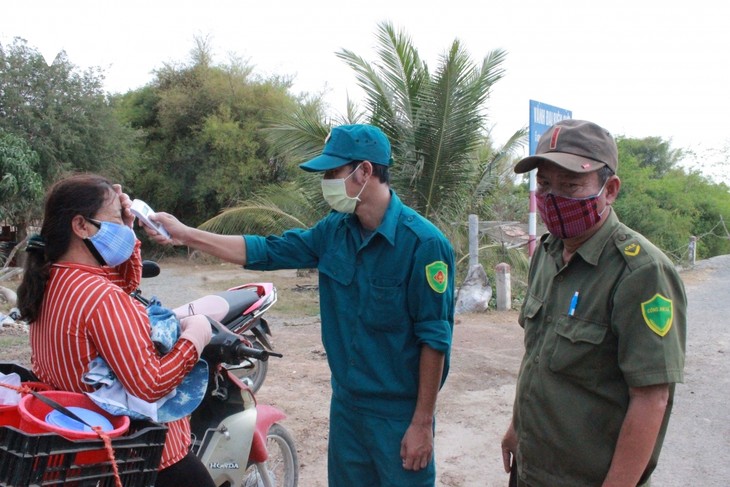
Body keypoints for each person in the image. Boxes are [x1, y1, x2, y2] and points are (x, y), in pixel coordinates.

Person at [143, 124, 455, 486]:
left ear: (365, 171)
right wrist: (186, 234)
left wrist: (421, 423)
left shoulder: (424, 245)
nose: (326, 181)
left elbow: (434, 339)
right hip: (347, 408)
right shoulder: (335, 231)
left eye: (333, 172)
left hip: (397, 414)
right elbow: (266, 250)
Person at [501, 120, 687, 487]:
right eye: (545, 184)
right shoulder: (548, 252)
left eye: (571, 185)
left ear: (610, 189)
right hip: (532, 470)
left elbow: (651, 398)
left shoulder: (640, 273)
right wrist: (516, 427)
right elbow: (537, 357)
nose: (553, 198)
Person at [16, 174, 215, 487]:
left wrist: (126, 227)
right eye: (115, 220)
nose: (122, 229)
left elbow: (126, 284)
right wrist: (197, 334)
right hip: (145, 458)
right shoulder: (100, 296)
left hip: (81, 449)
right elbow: (151, 384)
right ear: (81, 226)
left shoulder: (53, 278)